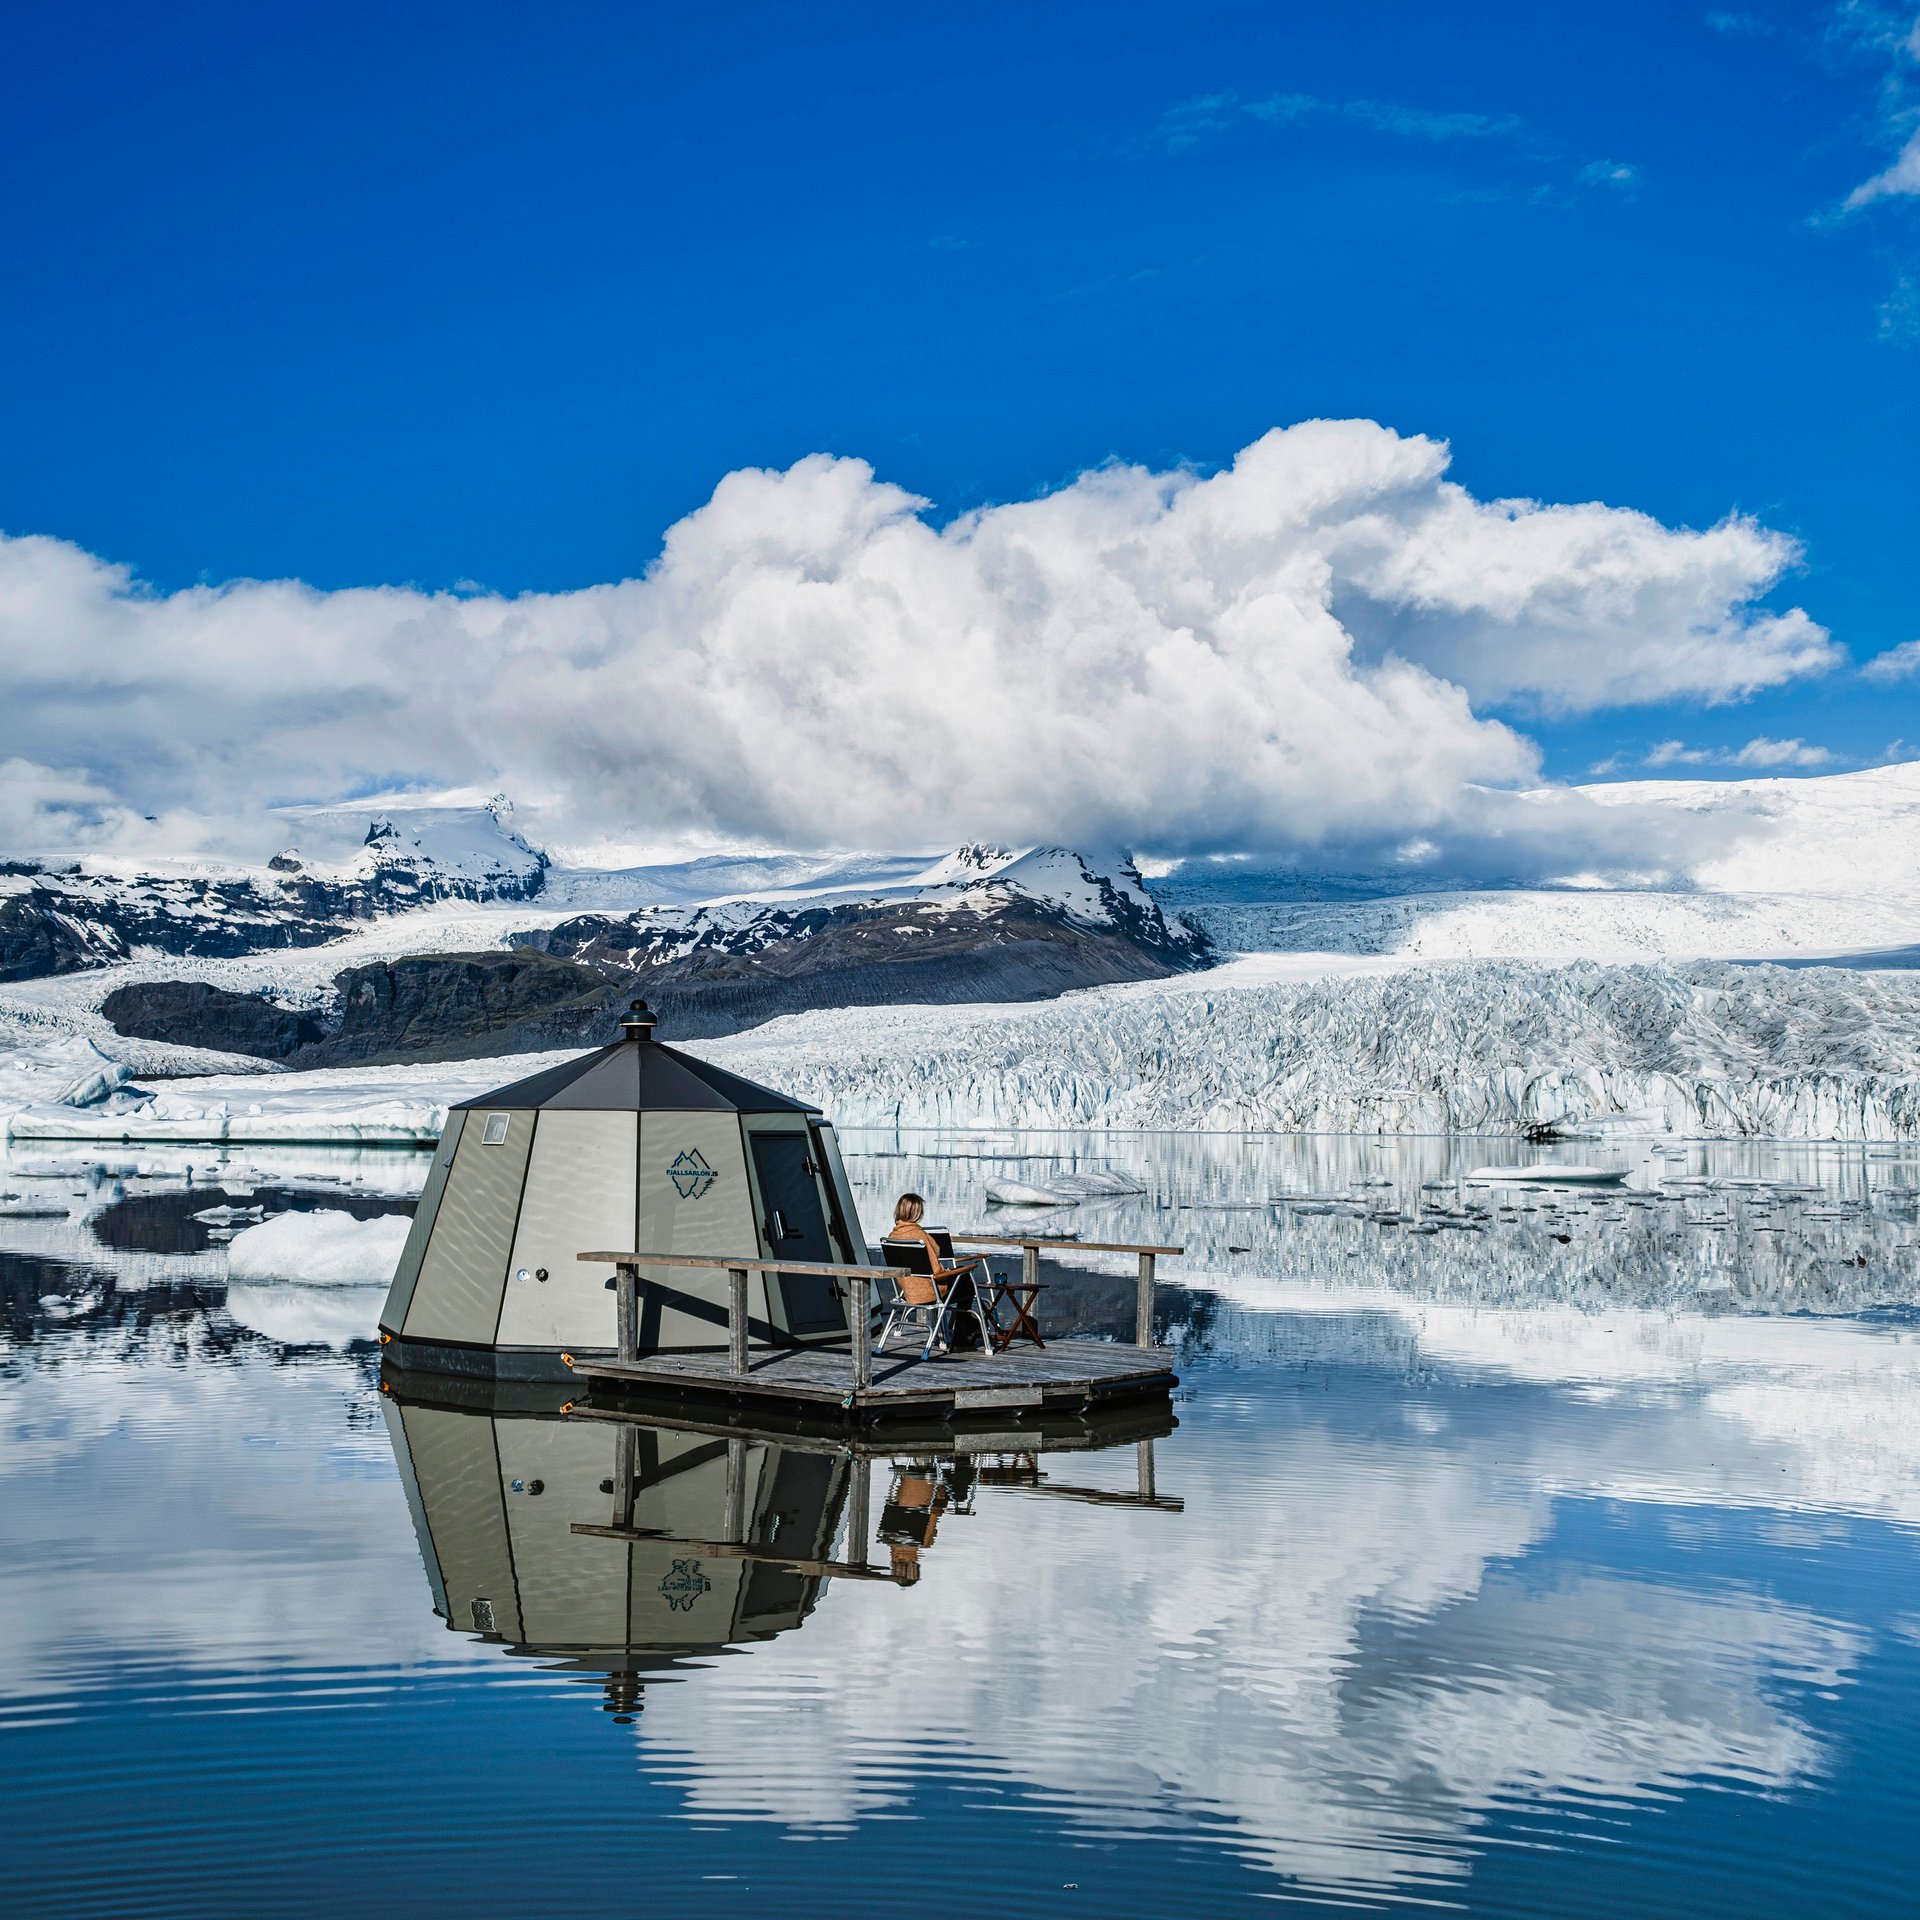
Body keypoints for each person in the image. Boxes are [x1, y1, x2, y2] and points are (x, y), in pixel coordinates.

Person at [885, 1193, 991, 1348]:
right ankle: (962, 1335)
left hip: (908, 1293)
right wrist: (950, 1271)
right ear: (917, 1213)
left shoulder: (892, 1236)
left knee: (962, 1280)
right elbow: (937, 1272)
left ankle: (968, 1327)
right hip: (929, 1292)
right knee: (966, 1280)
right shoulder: (919, 1236)